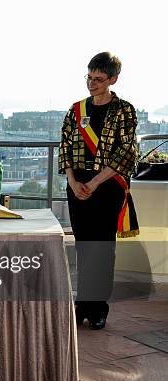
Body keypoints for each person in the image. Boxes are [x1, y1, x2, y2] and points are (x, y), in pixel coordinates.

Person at [59, 51, 139, 330]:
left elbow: (126, 152)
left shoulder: (124, 110)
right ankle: (82, 304)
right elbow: (65, 148)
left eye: (98, 79)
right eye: (89, 77)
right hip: (77, 185)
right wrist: (72, 181)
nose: (91, 84)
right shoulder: (76, 109)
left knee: (102, 248)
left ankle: (98, 309)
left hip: (105, 186)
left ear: (113, 79)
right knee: (83, 247)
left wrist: (94, 183)